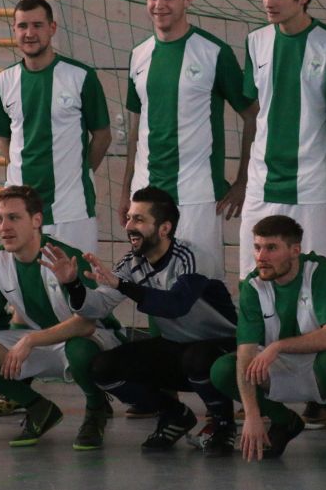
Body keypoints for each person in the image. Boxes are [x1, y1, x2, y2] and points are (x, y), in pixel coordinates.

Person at [240, 0, 326, 428]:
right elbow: (255, 112)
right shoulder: (255, 42)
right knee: (256, 281)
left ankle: (320, 393)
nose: (269, 2)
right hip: (263, 183)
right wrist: (242, 175)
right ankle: (258, 391)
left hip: (314, 184)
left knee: (313, 284)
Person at [0, 186, 123, 449]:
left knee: (80, 350)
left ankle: (96, 408)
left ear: (36, 220)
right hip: (41, 340)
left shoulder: (66, 257)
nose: (4, 227)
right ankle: (38, 408)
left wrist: (31, 340)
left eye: (13, 217)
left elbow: (85, 323)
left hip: (94, 338)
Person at [72, 186, 238, 457]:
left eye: (139, 219)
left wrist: (124, 286)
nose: (129, 226)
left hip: (223, 348)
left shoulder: (192, 257)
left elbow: (176, 305)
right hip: (177, 347)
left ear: (164, 228)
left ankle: (223, 424)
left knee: (196, 358)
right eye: (129, 218)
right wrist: (72, 284)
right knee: (103, 368)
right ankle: (175, 415)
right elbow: (97, 306)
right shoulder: (131, 263)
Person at [119, 0, 259, 278]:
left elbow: (253, 114)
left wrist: (242, 181)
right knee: (150, 283)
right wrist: (127, 188)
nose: (159, 4)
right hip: (146, 195)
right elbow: (137, 127)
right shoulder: (139, 54)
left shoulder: (214, 52)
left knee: (199, 285)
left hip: (197, 195)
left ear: (188, 0)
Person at [210, 215, 326, 461]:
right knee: (223, 370)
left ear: (294, 250)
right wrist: (252, 415)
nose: (261, 256)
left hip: (318, 361)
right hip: (276, 364)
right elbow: (246, 352)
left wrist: (277, 346)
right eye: (257, 247)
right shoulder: (253, 285)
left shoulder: (321, 272)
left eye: (271, 248)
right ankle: (284, 421)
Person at [0, 0, 111, 254]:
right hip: (21, 212)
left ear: (52, 28)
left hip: (72, 210)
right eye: (22, 26)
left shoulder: (81, 77)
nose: (29, 33)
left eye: (37, 25)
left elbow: (102, 136)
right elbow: (3, 139)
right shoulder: (2, 82)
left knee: (78, 278)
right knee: (27, 280)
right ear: (14, 29)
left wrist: (79, 173)